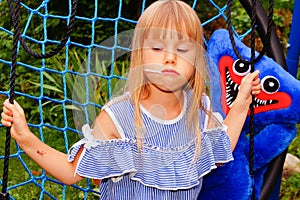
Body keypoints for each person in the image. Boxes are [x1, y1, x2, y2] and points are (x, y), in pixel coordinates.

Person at [1, 0, 261, 199]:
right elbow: (71, 173)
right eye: (158, 48)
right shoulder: (119, 116)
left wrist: (241, 104)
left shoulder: (199, 108)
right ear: (139, 54)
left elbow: (217, 150)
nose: (170, 58)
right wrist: (25, 137)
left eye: (182, 50)